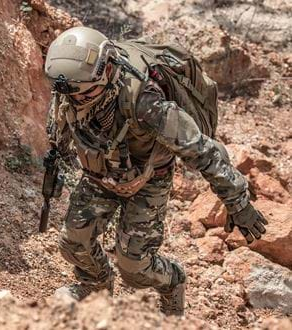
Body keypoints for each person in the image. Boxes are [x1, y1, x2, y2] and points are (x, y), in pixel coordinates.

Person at [44, 26, 268, 316]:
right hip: (100, 175)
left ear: (106, 73)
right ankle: (95, 287)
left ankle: (173, 282)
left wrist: (238, 203)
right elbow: (62, 120)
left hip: (149, 180)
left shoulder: (144, 101)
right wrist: (57, 156)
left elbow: (201, 149)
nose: (74, 99)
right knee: (74, 242)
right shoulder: (74, 86)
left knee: (134, 268)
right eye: (69, 93)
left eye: (82, 94)